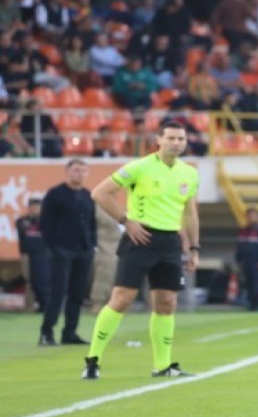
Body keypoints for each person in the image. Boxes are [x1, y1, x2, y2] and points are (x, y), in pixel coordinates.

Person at [83, 121, 201, 380]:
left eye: (181, 139)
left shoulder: (189, 173)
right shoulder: (139, 167)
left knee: (167, 303)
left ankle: (163, 365)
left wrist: (193, 247)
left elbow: (190, 212)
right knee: (122, 299)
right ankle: (93, 360)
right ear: (159, 140)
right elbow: (100, 193)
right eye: (171, 138)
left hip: (170, 242)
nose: (176, 143)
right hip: (140, 238)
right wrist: (126, 222)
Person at [38, 159, 97, 346]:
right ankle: (46, 332)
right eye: (76, 170)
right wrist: (53, 247)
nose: (80, 173)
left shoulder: (88, 195)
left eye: (83, 170)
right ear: (67, 171)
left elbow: (92, 223)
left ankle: (69, 333)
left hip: (84, 250)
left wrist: (92, 245)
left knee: (77, 294)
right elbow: (45, 223)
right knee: (58, 292)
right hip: (62, 250)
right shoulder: (55, 194)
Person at [17, 198, 50, 318]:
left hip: (43, 254)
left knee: (43, 279)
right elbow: (23, 234)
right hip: (28, 254)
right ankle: (31, 304)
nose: (35, 209)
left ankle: (45, 304)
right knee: (30, 279)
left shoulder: (46, 220)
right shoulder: (22, 221)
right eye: (33, 207)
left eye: (37, 207)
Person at [234, 206, 258, 311]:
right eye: (249, 216)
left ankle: (257, 304)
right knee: (248, 282)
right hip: (246, 261)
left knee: (257, 283)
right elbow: (239, 246)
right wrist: (239, 260)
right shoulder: (243, 231)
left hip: (257, 261)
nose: (251, 218)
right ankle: (250, 303)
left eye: (254, 216)